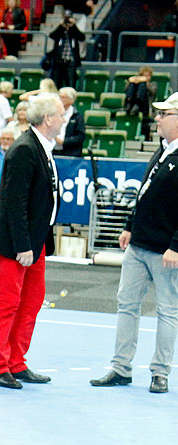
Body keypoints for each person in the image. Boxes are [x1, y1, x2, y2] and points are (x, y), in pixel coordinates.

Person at [90, 93, 178, 394]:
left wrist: (177, 246)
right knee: (127, 305)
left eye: (164, 115)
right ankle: (120, 367)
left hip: (165, 250)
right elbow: (144, 193)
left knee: (168, 311)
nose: (157, 119)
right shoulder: (163, 151)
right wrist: (129, 226)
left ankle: (160, 372)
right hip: (139, 245)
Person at [0, 93, 65, 389]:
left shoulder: (41, 147)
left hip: (35, 241)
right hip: (18, 245)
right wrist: (22, 246)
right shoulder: (24, 149)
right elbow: (13, 203)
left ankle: (17, 361)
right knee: (8, 303)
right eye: (60, 115)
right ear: (48, 119)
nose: (63, 120)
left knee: (31, 302)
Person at [46, 12, 83, 89]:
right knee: (56, 85)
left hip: (71, 62)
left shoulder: (73, 31)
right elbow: (52, 35)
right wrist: (61, 26)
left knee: (71, 84)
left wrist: (73, 26)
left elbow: (82, 37)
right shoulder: (60, 31)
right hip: (59, 61)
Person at [55, 86, 85, 157]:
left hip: (70, 154)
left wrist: (63, 142)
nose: (59, 99)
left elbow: (80, 137)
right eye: (59, 97)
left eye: (62, 97)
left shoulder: (77, 117)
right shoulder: (52, 113)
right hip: (54, 151)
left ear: (71, 100)